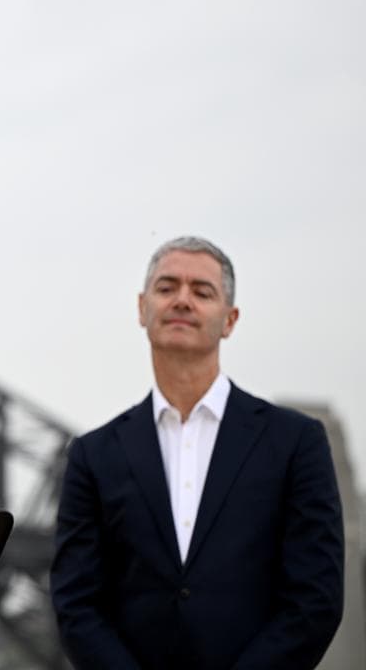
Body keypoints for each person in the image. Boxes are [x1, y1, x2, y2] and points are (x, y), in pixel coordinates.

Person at [50, 237, 344, 669]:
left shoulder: (296, 443)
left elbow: (315, 599)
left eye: (202, 292)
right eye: (167, 287)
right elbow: (76, 604)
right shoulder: (92, 455)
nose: (182, 300)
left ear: (230, 320)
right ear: (142, 309)